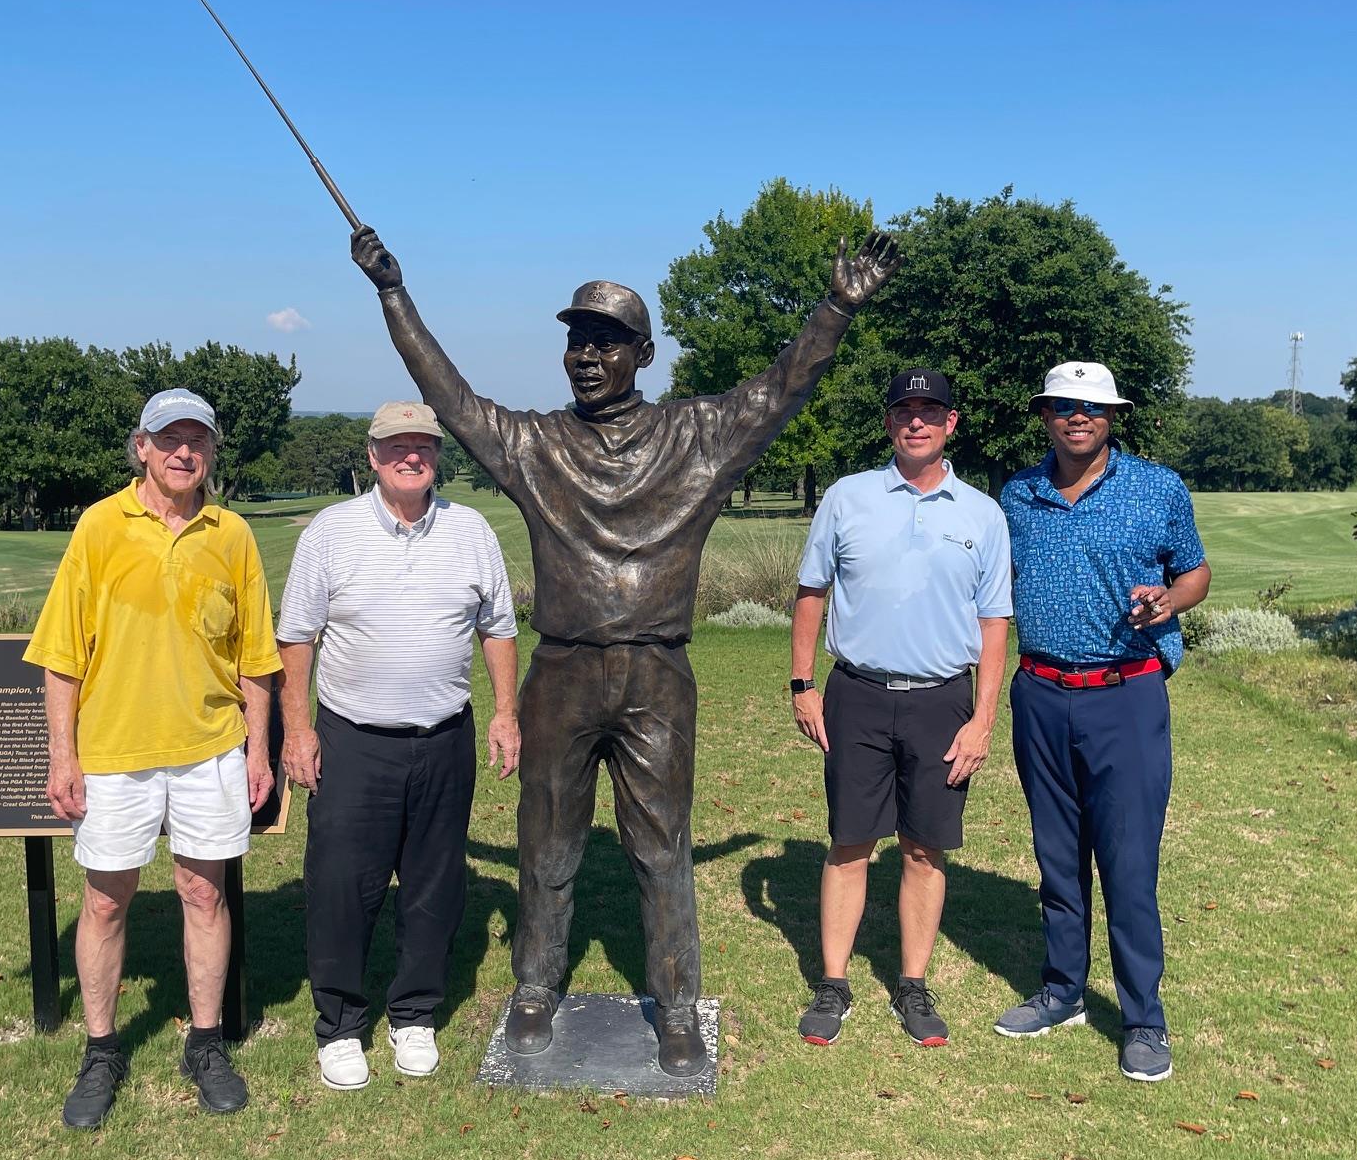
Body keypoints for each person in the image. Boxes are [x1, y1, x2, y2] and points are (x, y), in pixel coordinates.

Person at [348, 223, 900, 1076]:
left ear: (642, 354)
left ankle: (675, 1004)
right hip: (561, 672)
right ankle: (535, 987)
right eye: (576, 341)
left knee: (661, 846)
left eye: (605, 342)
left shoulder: (700, 435)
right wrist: (393, 293)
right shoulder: (534, 444)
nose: (586, 356)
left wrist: (834, 308)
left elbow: (783, 386)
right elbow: (449, 397)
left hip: (655, 675)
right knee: (546, 842)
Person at [26, 388, 281, 1128]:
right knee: (106, 900)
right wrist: (63, 756)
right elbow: (62, 655)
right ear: (141, 446)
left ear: (212, 451)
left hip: (209, 749)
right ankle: (102, 1049)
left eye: (198, 440)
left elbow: (256, 658)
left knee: (204, 894)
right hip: (114, 751)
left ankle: (206, 1043)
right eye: (169, 438)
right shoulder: (99, 526)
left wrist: (257, 749)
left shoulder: (232, 534)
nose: (184, 452)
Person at [276, 401, 520, 1091]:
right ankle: (340, 1023)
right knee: (341, 887)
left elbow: (498, 627)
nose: (410, 457)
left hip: (444, 738)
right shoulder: (332, 531)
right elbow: (296, 636)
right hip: (354, 741)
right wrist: (298, 728)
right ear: (373, 454)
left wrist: (506, 713)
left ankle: (413, 1012)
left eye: (423, 446)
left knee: (433, 884)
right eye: (396, 446)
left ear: (437, 455)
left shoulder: (471, 530)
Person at [996, 361, 1210, 1082]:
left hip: (1126, 692)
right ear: (1045, 415)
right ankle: (1062, 990)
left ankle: (1143, 1018)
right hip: (1040, 692)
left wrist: (1171, 600)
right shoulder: (1018, 494)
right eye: (1063, 405)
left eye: (1091, 406)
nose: (1077, 416)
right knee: (1057, 856)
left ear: (1111, 416)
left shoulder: (1157, 487)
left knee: (1127, 862)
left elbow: (1194, 570)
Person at [790, 369, 1012, 1049]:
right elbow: (811, 590)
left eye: (930, 411)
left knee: (923, 846)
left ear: (951, 423)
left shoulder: (982, 513)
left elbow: (994, 623)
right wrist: (802, 683)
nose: (917, 422)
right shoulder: (846, 497)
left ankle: (912, 984)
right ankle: (833, 983)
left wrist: (982, 719)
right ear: (888, 422)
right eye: (904, 410)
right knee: (849, 842)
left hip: (941, 701)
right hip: (856, 694)